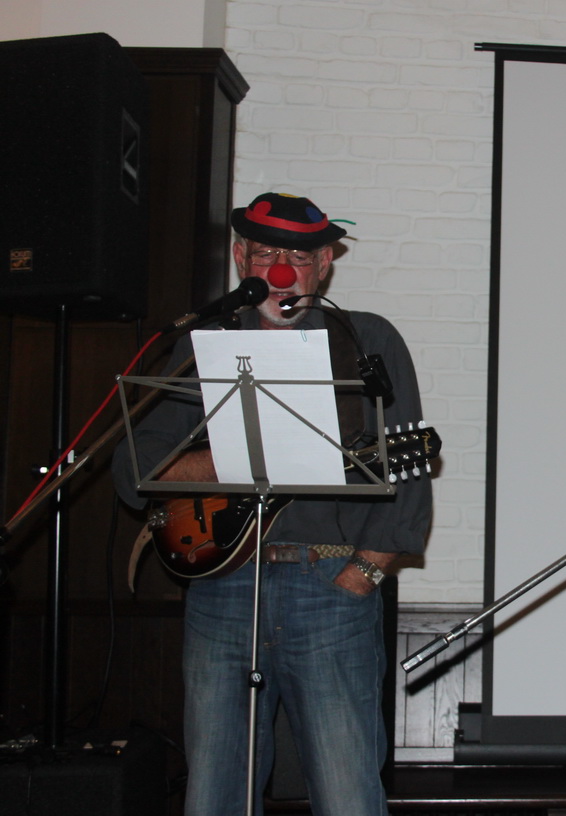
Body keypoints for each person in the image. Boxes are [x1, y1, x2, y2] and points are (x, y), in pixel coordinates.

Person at [112, 192, 432, 816]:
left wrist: (362, 576)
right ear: (241, 258)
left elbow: (409, 473)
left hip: (330, 588)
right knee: (215, 792)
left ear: (324, 265)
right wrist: (239, 457)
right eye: (266, 253)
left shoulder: (366, 340)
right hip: (220, 590)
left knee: (347, 793)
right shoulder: (205, 343)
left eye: (300, 257)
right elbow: (136, 468)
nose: (282, 271)